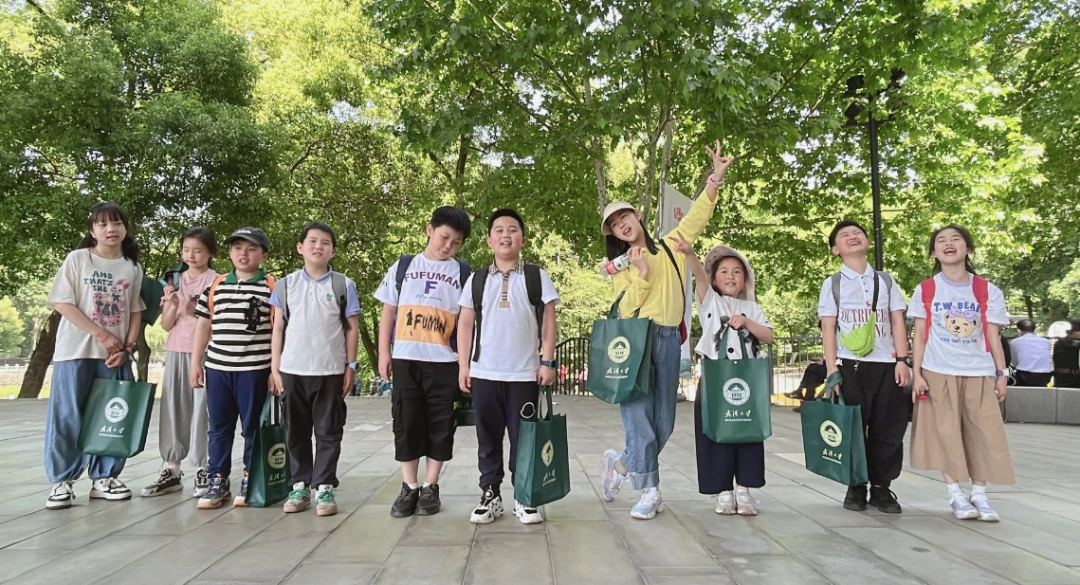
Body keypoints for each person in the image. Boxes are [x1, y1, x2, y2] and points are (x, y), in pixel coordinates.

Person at [599, 140, 734, 520]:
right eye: (614, 225)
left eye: (624, 217)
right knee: (639, 419)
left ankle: (622, 465)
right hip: (636, 340)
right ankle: (650, 491)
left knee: (665, 423)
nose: (622, 225)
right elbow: (623, 307)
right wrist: (640, 276)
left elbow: (697, 217)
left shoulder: (670, 244)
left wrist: (715, 179)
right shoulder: (622, 264)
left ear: (637, 215)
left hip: (668, 340)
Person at [456, 209, 560, 525]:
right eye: (499, 230)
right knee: (488, 439)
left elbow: (549, 322)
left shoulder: (536, 276)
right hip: (485, 372)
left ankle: (524, 496)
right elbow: (464, 325)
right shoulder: (476, 280)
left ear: (522, 239)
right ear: (489, 240)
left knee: (523, 439)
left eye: (512, 229)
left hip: (524, 374)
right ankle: (491, 494)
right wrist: (463, 366)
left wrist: (548, 360)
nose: (505, 235)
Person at [43, 202, 146, 510]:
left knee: (112, 415)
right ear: (91, 231)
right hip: (76, 351)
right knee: (68, 416)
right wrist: (101, 335)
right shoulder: (78, 260)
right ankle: (62, 481)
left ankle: (105, 478)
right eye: (102, 225)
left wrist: (127, 348)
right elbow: (62, 302)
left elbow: (136, 311)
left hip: (114, 356)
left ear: (125, 229)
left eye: (116, 223)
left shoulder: (131, 267)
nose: (110, 229)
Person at [908, 224, 1014, 521]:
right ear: (934, 252)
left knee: (985, 431)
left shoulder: (987, 290)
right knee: (945, 432)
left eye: (956, 239)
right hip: (937, 369)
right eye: (941, 240)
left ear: (968, 249)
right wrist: (917, 373)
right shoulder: (926, 289)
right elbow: (919, 336)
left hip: (978, 371)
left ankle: (980, 495)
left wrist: (1001, 372)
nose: (949, 244)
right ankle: (955, 494)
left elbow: (993, 337)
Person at [375, 207, 472, 518]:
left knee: (440, 424)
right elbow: (388, 312)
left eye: (455, 242)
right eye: (444, 237)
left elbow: (468, 321)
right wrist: (383, 352)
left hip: (445, 361)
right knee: (406, 421)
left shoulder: (463, 273)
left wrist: (465, 363)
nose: (447, 246)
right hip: (406, 358)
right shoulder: (404, 266)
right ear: (429, 230)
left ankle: (431, 486)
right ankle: (409, 486)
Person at [817, 221, 910, 514]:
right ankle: (855, 486)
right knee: (853, 429)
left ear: (868, 242)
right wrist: (832, 370)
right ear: (836, 250)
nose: (852, 237)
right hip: (850, 366)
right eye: (844, 236)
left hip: (887, 365)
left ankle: (882, 487)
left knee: (889, 428)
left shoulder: (886, 281)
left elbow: (897, 321)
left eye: (857, 233)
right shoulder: (832, 283)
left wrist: (902, 360)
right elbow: (828, 328)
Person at [270, 223, 360, 517]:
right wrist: (275, 367)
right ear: (300, 247)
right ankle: (299, 485)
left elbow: (351, 328)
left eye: (325, 243)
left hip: (330, 371)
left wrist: (351, 366)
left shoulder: (343, 285)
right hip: (293, 369)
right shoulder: (285, 285)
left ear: (333, 250)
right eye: (312, 241)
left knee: (328, 431)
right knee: (294, 431)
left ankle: (324, 487)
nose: (318, 246)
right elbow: (278, 327)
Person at [679, 241, 773, 515]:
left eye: (736, 271)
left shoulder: (752, 308)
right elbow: (697, 274)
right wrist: (689, 253)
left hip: (747, 381)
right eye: (724, 271)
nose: (730, 276)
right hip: (714, 378)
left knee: (748, 432)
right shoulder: (711, 302)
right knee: (714, 432)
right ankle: (723, 491)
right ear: (715, 278)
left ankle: (744, 490)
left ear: (745, 278)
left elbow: (768, 336)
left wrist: (746, 322)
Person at [192, 227, 276, 509]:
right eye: (238, 247)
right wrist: (196, 363)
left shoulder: (272, 287)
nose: (243, 253)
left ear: (263, 255)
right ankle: (216, 478)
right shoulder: (216, 286)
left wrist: (276, 370)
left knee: (253, 428)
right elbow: (203, 325)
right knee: (218, 427)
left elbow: (279, 329)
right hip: (218, 368)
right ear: (229, 252)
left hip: (255, 369)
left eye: (252, 248)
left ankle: (250, 477)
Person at [141, 227, 219, 498]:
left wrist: (194, 311)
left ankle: (203, 467)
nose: (191, 255)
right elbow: (165, 325)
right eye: (186, 250)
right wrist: (172, 305)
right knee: (174, 409)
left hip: (209, 353)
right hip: (176, 351)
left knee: (203, 411)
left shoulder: (218, 281)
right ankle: (171, 468)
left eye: (197, 250)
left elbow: (219, 322)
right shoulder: (174, 280)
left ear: (210, 252)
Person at [1010, 319, 1052, 387]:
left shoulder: (1015, 342)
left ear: (1019, 330)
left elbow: (1015, 362)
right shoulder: (1046, 341)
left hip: (1025, 375)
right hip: (1045, 375)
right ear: (1034, 329)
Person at [1052, 321, 1080, 388]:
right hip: (1075, 377)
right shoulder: (1076, 344)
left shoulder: (1058, 343)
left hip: (1060, 376)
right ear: (1076, 332)